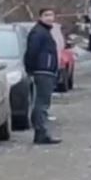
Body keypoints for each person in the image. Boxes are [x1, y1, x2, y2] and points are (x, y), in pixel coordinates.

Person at [23, 8, 62, 145]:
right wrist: (31, 69)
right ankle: (41, 132)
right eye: (46, 15)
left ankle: (41, 131)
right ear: (40, 17)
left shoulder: (45, 32)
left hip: (46, 71)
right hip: (42, 71)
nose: (50, 18)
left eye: (51, 15)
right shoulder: (38, 32)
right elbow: (31, 52)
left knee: (42, 102)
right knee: (41, 103)